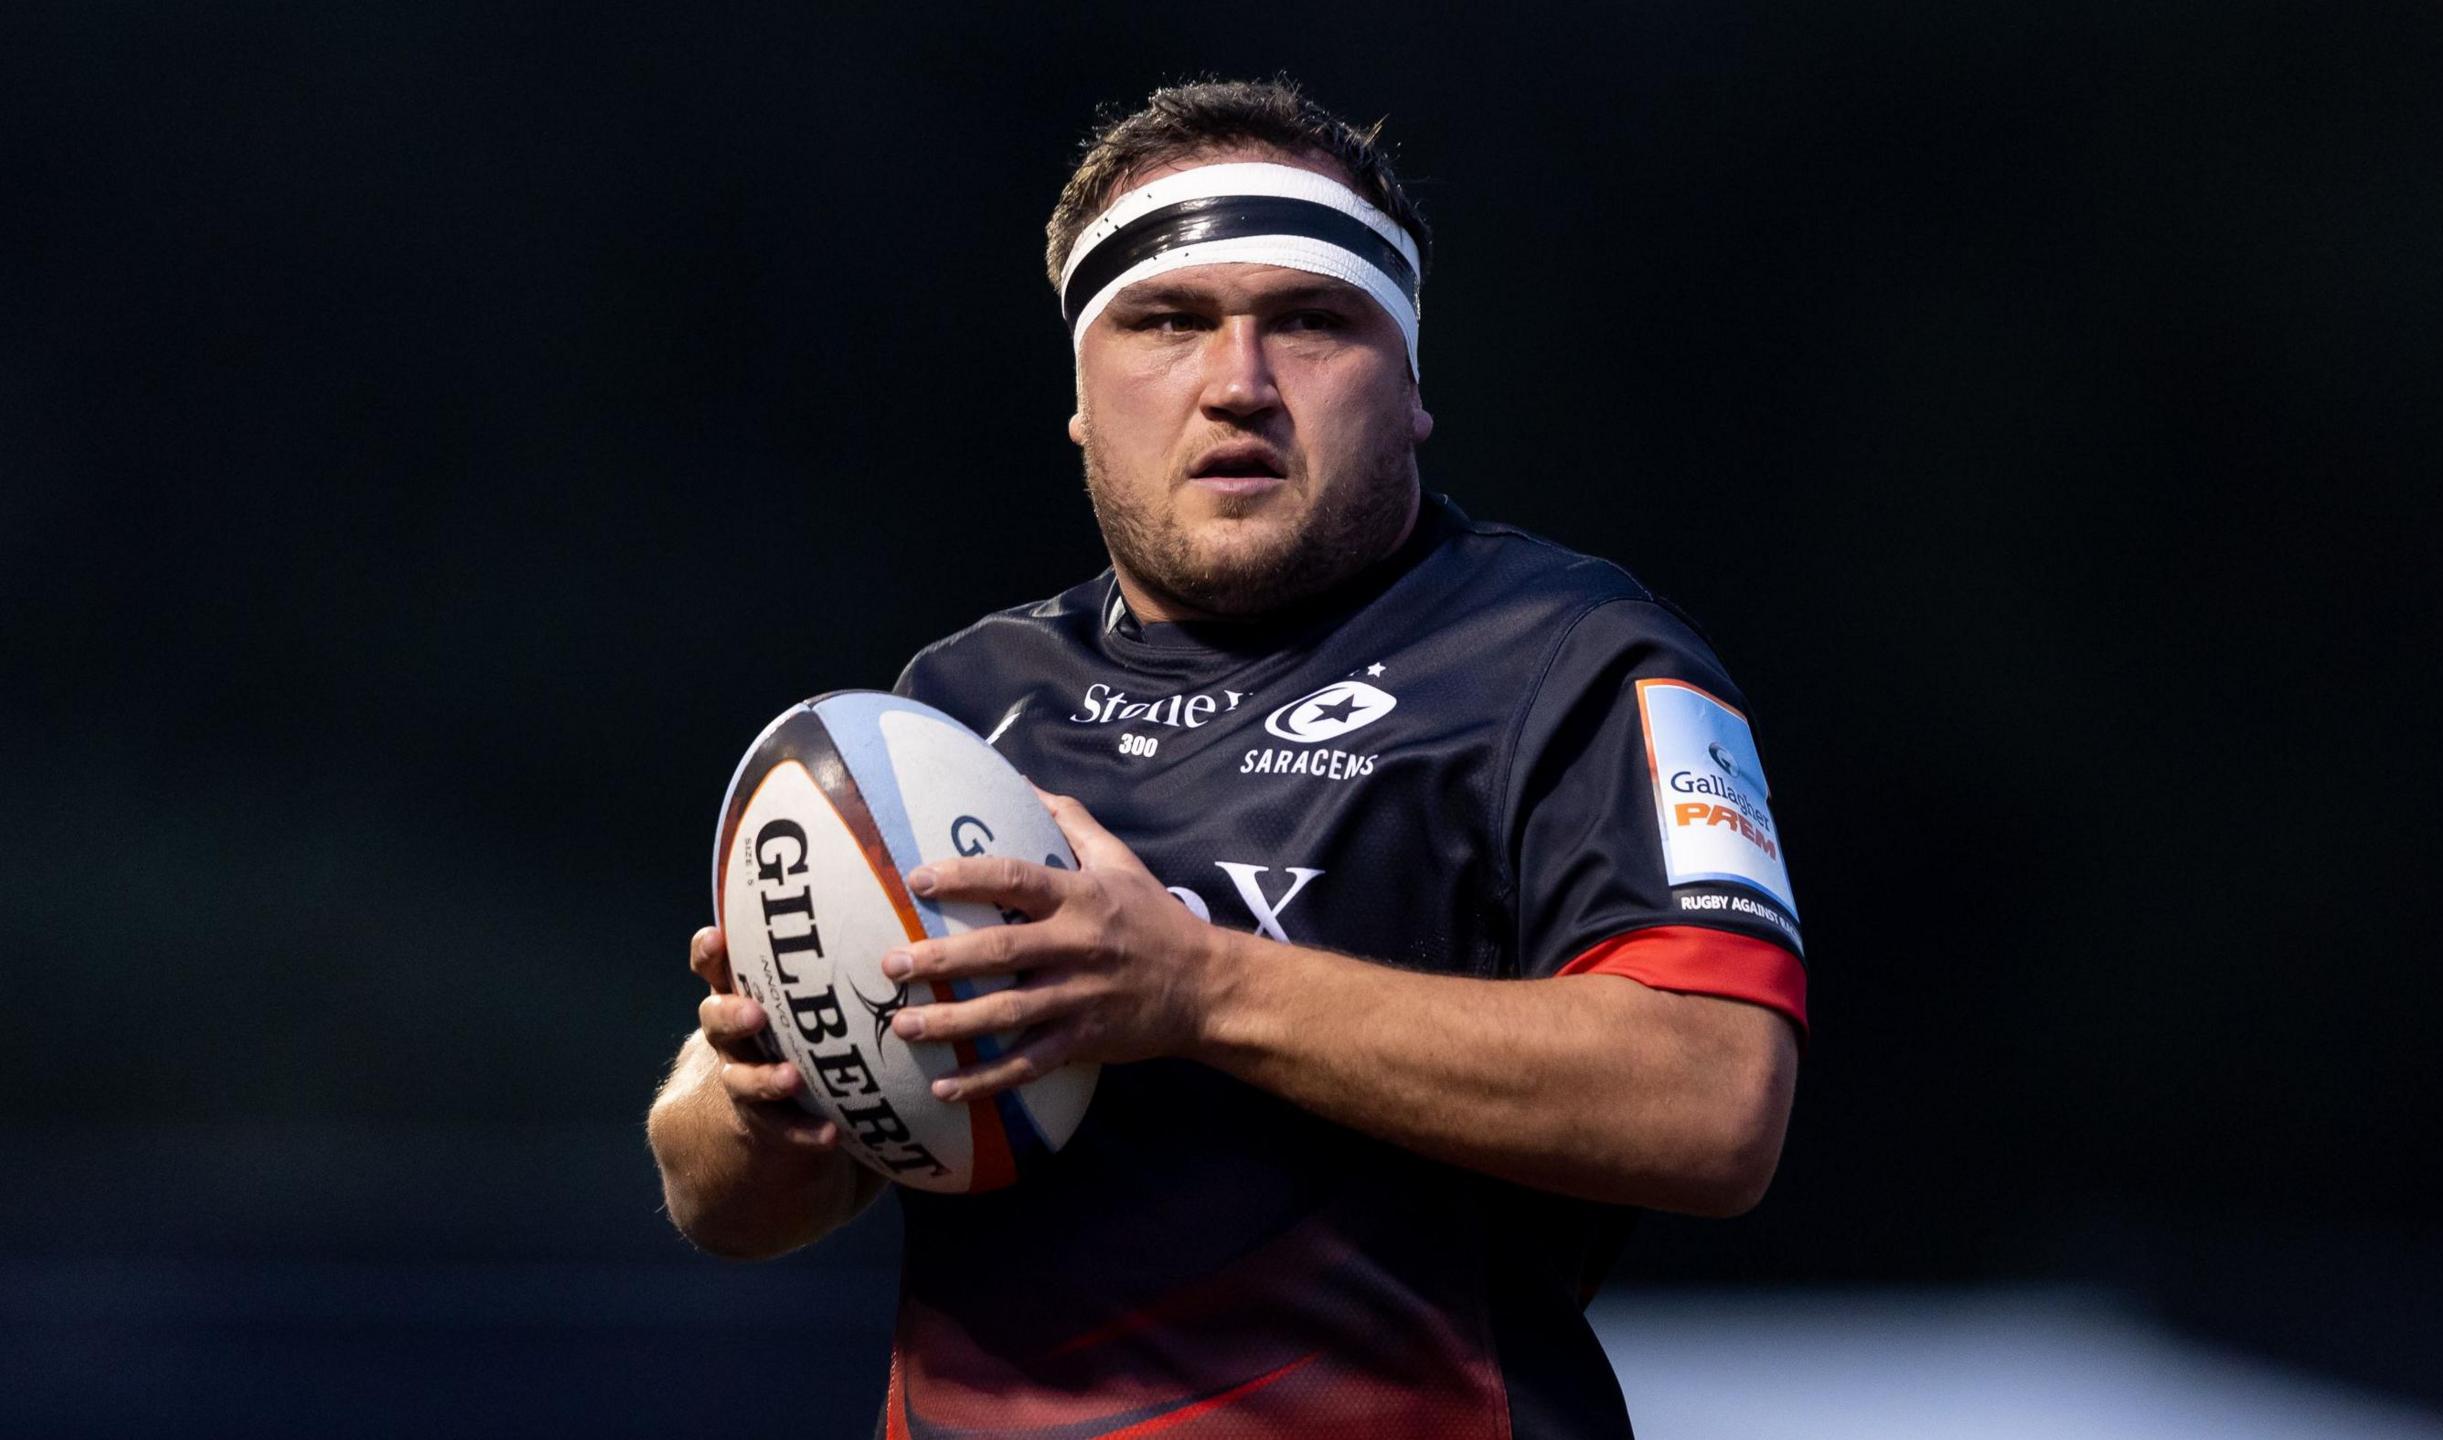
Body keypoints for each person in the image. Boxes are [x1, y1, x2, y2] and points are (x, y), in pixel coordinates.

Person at [647, 78, 1807, 1440]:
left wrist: (1192, 986)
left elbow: (1716, 1101)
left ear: (1413, 386)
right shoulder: (952, 710)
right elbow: (719, 1203)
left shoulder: (1568, 659)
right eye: (1167, 323)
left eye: (1312, 322)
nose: (1238, 384)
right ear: (1081, 395)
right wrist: (764, 1097)